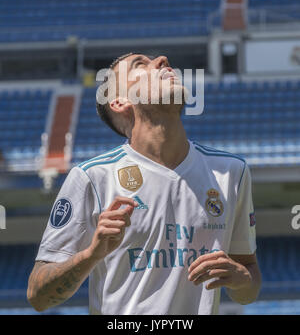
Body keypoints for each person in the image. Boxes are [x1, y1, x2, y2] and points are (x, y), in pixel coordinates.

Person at [27, 53, 261, 315]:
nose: (163, 59)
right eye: (140, 64)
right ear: (119, 101)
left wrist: (242, 279)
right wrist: (92, 254)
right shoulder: (93, 177)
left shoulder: (231, 172)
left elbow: (249, 287)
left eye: (160, 60)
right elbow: (38, 297)